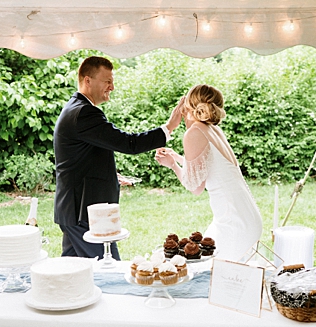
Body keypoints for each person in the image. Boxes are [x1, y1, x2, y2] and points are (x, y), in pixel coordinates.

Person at [53, 56, 182, 260]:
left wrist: (109, 174)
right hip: (84, 214)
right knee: (109, 268)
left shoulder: (76, 109)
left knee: (74, 275)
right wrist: (169, 127)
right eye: (107, 81)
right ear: (88, 80)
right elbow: (128, 144)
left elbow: (79, 158)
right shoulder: (84, 113)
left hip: (73, 210)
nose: (112, 87)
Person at [154, 84, 262, 261]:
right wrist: (179, 158)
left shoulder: (194, 132)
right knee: (213, 267)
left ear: (186, 105)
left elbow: (195, 187)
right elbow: (209, 167)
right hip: (244, 215)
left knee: (220, 275)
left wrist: (173, 165)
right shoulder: (213, 129)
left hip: (233, 221)